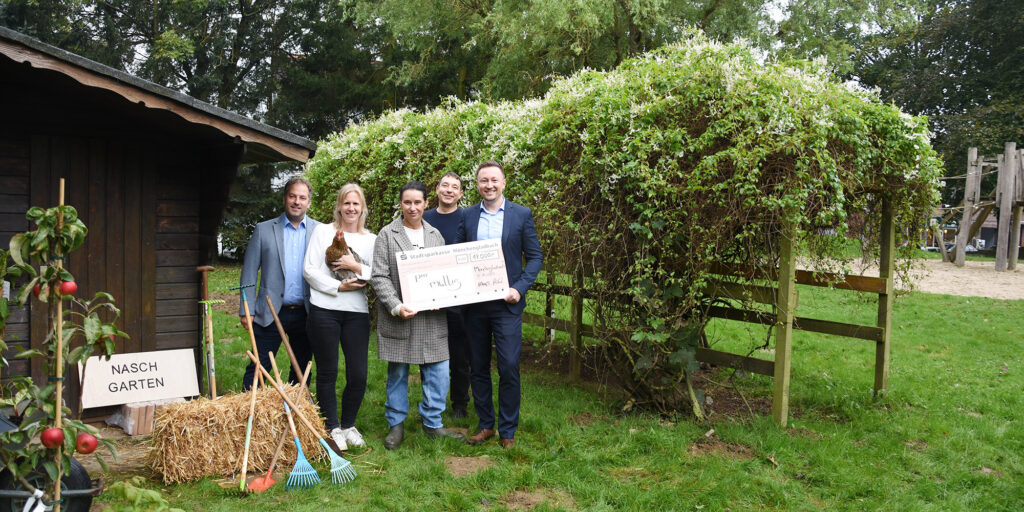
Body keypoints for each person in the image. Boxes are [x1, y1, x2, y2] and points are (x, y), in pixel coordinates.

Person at [372, 181, 466, 450]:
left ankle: (432, 423)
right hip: (400, 317)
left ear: (426, 203)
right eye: (407, 202)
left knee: (439, 373)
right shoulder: (387, 235)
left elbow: (443, 273)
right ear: (401, 204)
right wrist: (396, 306)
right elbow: (379, 276)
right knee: (398, 374)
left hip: (432, 319)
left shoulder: (435, 235)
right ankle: (396, 425)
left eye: (417, 202)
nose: (412, 207)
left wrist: (442, 297)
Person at [457, 161, 543, 448]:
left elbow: (535, 257)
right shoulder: (468, 216)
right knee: (478, 367)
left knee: (508, 366)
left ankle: (508, 430)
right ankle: (486, 425)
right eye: (484, 180)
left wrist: (519, 288)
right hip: (475, 306)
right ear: (477, 185)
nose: (489, 185)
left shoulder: (521, 215)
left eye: (494, 180)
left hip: (507, 304)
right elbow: (456, 255)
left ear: (504, 183)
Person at [303, 183, 375, 451]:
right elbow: (309, 270)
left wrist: (355, 267)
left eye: (356, 204)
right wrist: (338, 287)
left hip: (356, 312)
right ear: (339, 207)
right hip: (325, 308)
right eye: (347, 203)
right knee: (328, 371)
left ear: (362, 208)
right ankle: (332, 427)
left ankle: (348, 424)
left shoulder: (371, 240)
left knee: (358, 374)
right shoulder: (323, 232)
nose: (351, 208)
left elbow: (377, 273)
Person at [238, 177, 319, 391]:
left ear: (309, 202)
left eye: (302, 198)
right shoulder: (264, 230)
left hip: (306, 312)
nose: (297, 201)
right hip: (270, 312)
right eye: (292, 196)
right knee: (259, 366)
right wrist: (246, 309)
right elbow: (249, 272)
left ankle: (297, 409)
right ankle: (248, 407)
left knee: (301, 369)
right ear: (284, 199)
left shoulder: (320, 231)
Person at [422, 172, 471, 418]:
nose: (449, 190)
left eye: (454, 187)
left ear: (460, 194)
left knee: (460, 354)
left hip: (458, 298)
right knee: (428, 354)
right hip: (428, 299)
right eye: (445, 185)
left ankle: (460, 404)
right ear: (437, 189)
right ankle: (430, 403)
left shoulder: (467, 218)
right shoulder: (424, 218)